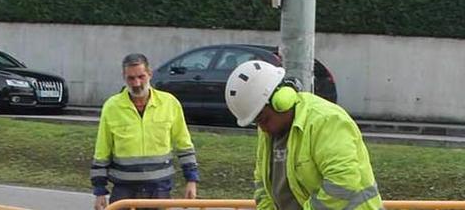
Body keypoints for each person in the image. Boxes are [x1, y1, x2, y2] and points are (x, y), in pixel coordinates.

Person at [225, 60, 383, 210]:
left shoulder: (326, 120)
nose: (262, 128)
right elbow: (263, 184)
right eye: (256, 122)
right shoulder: (269, 130)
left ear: (282, 101)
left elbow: (342, 182)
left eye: (263, 119)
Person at [91, 53, 199, 210]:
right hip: (124, 191)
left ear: (150, 74)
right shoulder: (111, 107)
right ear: (124, 77)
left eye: (141, 76)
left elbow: (184, 144)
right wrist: (99, 191)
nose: (136, 83)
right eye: (131, 78)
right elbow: (102, 152)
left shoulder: (169, 103)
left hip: (159, 189)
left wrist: (191, 180)